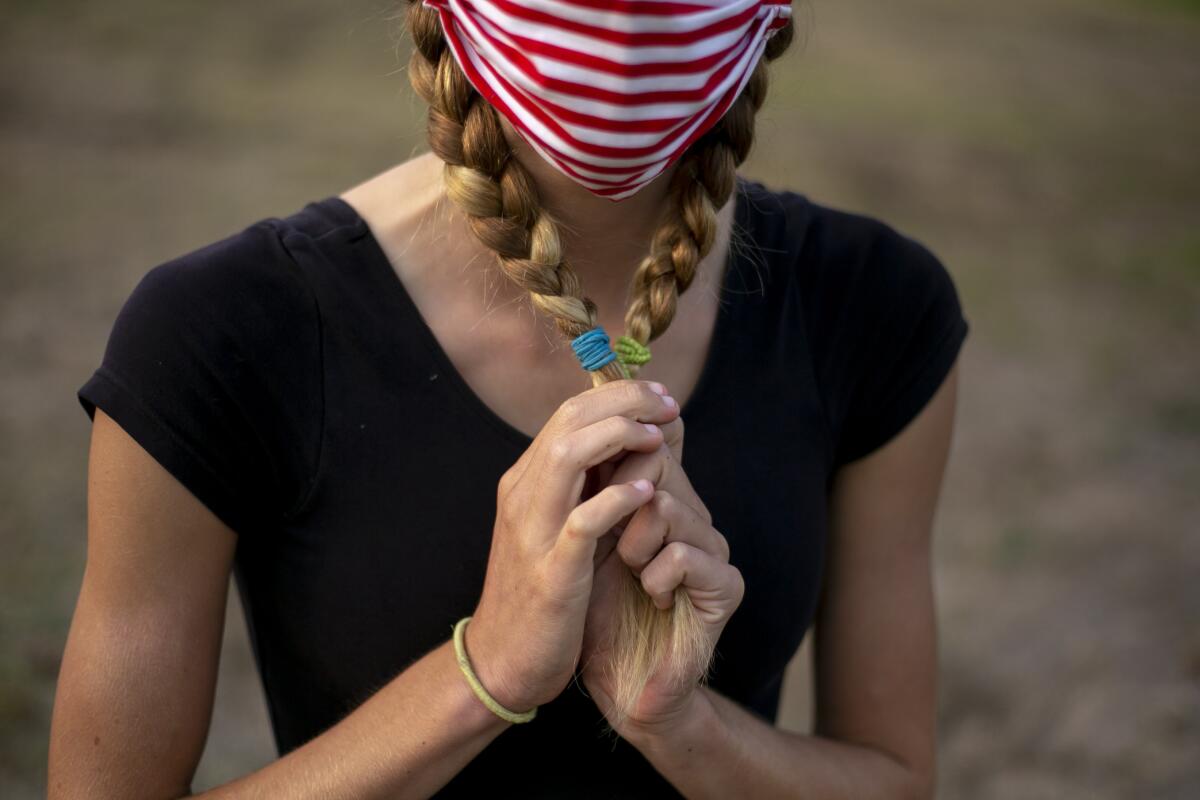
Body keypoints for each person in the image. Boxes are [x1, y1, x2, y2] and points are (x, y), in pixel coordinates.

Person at [49, 0, 969, 797]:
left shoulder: (876, 308)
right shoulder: (222, 333)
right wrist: (483, 671)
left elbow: (893, 778)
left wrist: (682, 726)